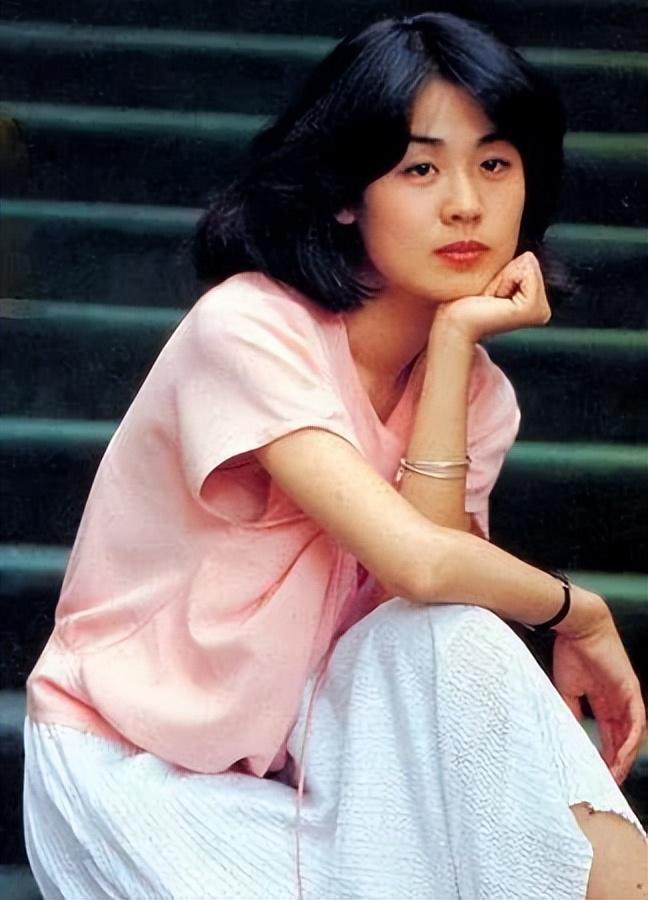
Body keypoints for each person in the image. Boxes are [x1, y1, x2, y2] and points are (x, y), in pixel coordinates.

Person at [23, 11, 647, 900]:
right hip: (133, 764)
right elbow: (419, 561)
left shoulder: (478, 395)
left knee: (453, 634)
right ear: (348, 193)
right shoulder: (249, 327)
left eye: (495, 164)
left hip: (313, 777)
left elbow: (420, 608)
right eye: (420, 168)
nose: (465, 203)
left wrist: (453, 344)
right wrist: (578, 614)